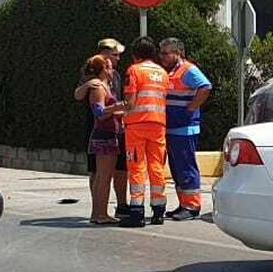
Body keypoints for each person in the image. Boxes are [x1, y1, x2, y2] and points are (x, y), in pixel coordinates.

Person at [73, 38, 130, 217]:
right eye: (114, 55)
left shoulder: (115, 76)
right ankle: (98, 211)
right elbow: (94, 107)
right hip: (100, 130)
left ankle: (118, 207)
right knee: (100, 174)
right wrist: (116, 107)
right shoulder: (93, 79)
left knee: (120, 169)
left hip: (115, 129)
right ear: (104, 54)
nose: (118, 59)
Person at [159, 37, 212, 221]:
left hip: (184, 127)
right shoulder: (171, 71)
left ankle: (192, 206)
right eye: (161, 53)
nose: (162, 57)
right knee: (177, 168)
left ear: (177, 53)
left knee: (186, 166)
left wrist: (190, 108)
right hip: (173, 127)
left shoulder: (188, 69)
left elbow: (205, 87)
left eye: (166, 53)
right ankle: (183, 204)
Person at [119, 37, 170, 228]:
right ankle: (158, 211)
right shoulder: (162, 73)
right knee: (157, 166)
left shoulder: (134, 71)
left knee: (137, 166)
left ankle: (137, 212)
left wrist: (121, 109)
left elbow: (131, 102)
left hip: (137, 125)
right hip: (158, 124)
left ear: (135, 54)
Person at [82, 54, 124, 225]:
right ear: (101, 70)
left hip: (109, 133)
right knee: (104, 177)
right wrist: (116, 107)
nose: (111, 69)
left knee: (103, 176)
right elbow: (99, 112)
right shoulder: (98, 87)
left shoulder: (108, 86)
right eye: (107, 67)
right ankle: (100, 213)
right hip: (103, 135)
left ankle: (99, 212)